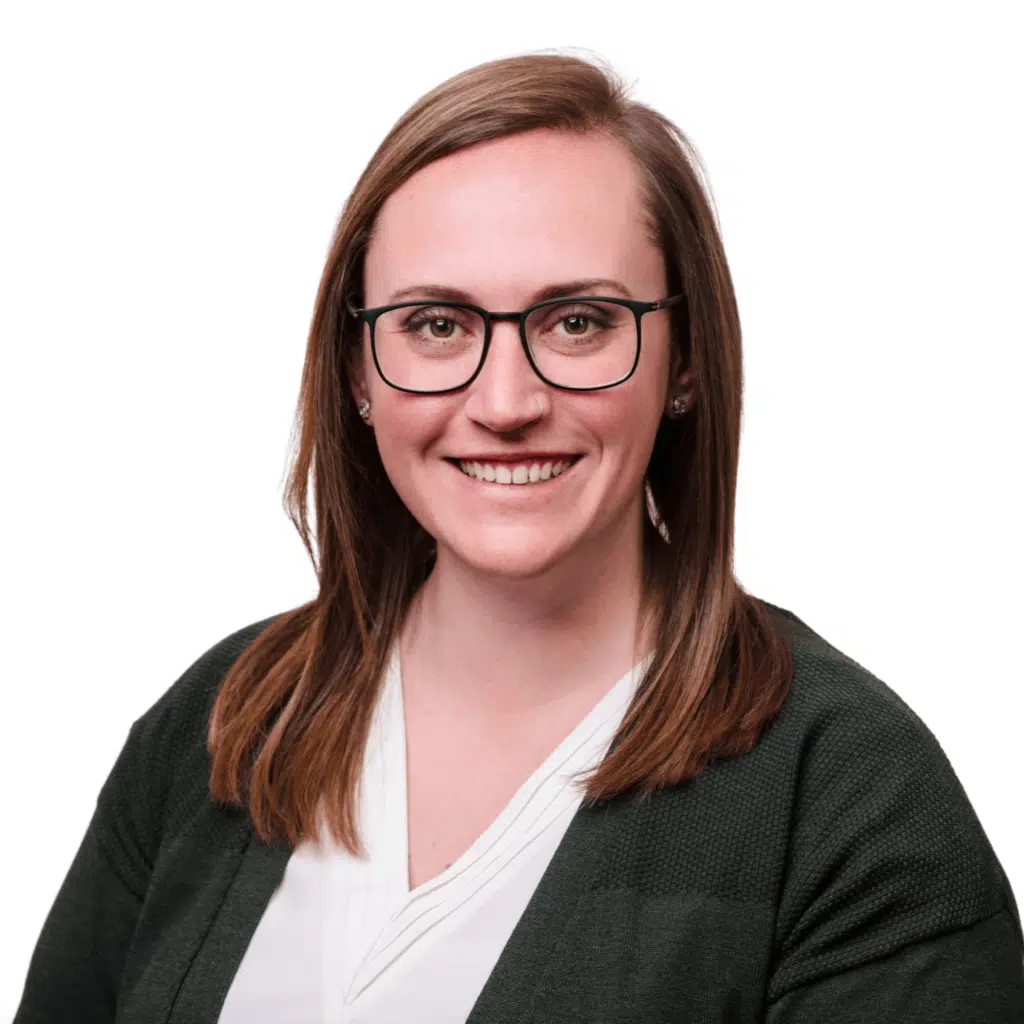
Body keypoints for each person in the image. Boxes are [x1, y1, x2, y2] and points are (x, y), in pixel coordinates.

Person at [14, 50, 1023, 1023]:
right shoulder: (220, 723)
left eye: (578, 321)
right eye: (437, 325)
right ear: (359, 370)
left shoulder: (851, 798)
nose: (505, 401)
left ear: (683, 360)